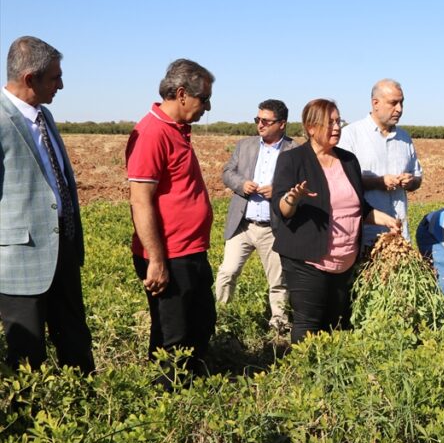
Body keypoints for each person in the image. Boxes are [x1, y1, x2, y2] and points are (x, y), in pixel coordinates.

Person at [271, 98, 399, 345]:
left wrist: (386, 220)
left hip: (344, 260)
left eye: (338, 121)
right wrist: (292, 198)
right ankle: (302, 367)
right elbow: (281, 209)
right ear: (311, 127)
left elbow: (358, 207)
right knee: (308, 323)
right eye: (329, 123)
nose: (337, 127)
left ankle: (327, 368)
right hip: (307, 259)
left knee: (334, 322)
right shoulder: (293, 159)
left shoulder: (348, 160)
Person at [0, 36, 93, 373]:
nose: (61, 85)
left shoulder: (45, 115)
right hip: (19, 260)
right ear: (30, 79)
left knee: (76, 341)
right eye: (55, 78)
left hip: (62, 248)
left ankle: (85, 401)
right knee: (26, 358)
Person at [127, 59, 217, 371]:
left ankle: (193, 384)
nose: (207, 107)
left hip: (190, 250)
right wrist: (156, 259)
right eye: (204, 98)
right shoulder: (152, 132)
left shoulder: (178, 130)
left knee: (200, 322)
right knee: (172, 336)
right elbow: (140, 201)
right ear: (181, 94)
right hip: (170, 254)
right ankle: (168, 391)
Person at [215, 99, 297, 333]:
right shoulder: (245, 145)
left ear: (282, 124)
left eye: (266, 121)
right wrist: (242, 184)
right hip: (243, 225)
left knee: (278, 282)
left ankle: (279, 326)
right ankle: (222, 318)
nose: (260, 124)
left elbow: (302, 183)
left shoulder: (295, 150)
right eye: (257, 119)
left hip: (274, 229)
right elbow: (227, 172)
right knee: (227, 272)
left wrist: (278, 191)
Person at [338, 79, 422, 250]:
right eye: (393, 103)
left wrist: (411, 181)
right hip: (365, 237)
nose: (399, 109)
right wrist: (378, 182)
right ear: (375, 103)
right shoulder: (351, 136)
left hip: (399, 237)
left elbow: (418, 178)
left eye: (401, 103)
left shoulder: (404, 138)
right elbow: (340, 184)